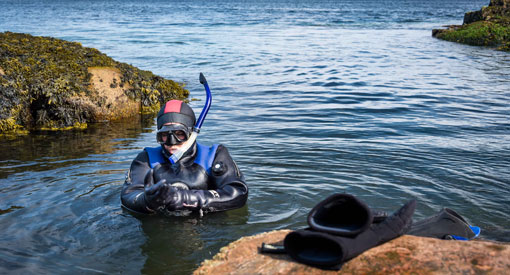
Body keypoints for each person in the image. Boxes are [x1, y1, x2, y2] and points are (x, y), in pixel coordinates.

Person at [121, 100, 248, 215]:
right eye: (165, 135)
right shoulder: (146, 159)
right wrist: (147, 201)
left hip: (206, 233)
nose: (172, 142)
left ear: (192, 133)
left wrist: (185, 198)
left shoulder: (213, 155)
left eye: (179, 134)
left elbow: (238, 192)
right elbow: (129, 195)